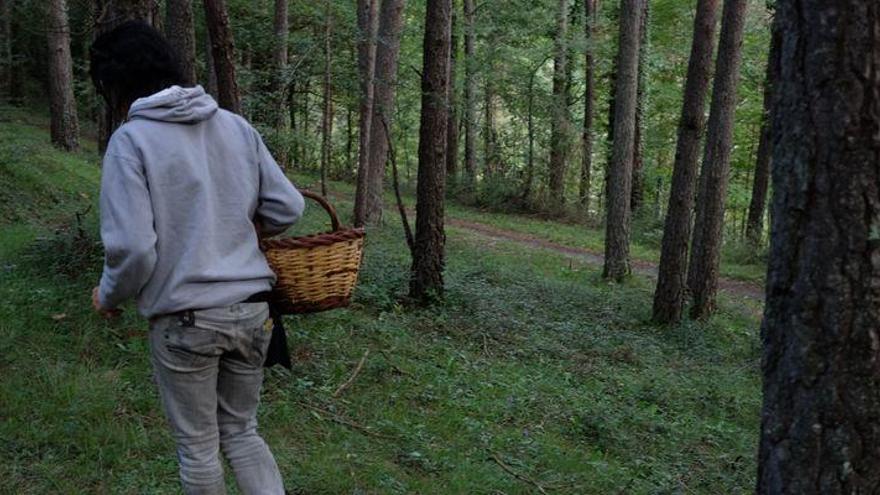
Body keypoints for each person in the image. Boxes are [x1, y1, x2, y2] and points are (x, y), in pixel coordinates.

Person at [88, 21, 303, 495]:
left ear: (114, 81)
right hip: (253, 310)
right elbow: (288, 206)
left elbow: (133, 248)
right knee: (242, 433)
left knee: (199, 448)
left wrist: (109, 295)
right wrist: (237, 227)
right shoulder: (233, 126)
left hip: (186, 320)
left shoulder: (132, 140)